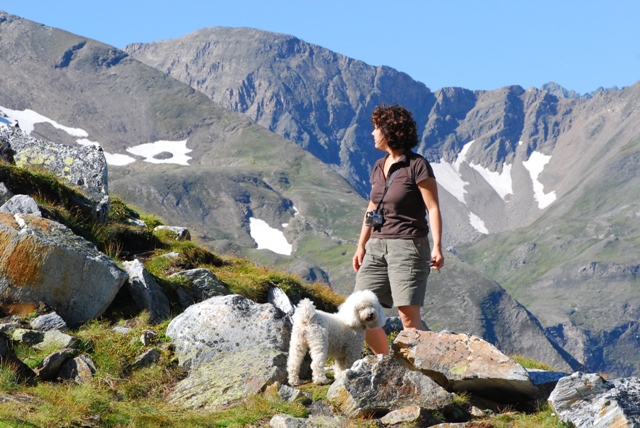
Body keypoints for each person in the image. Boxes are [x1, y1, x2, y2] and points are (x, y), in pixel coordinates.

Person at [352, 103, 444, 355]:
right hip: (376, 245)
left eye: (376, 128)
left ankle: (424, 370)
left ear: (390, 131)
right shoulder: (377, 166)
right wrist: (361, 245)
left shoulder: (417, 165)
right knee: (360, 309)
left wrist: (436, 246)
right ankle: (386, 361)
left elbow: (432, 208)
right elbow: (372, 208)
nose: (372, 133)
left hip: (408, 245)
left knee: (407, 314)